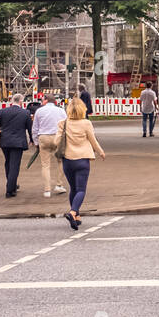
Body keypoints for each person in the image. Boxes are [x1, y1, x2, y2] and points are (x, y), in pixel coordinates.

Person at [56, 94, 105, 230]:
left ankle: (76, 217)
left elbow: (56, 141)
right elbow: (93, 140)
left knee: (73, 188)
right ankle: (73, 212)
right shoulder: (86, 123)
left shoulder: (62, 123)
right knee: (81, 189)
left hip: (68, 160)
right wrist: (100, 152)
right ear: (82, 110)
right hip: (82, 160)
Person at [0, 93, 34, 198]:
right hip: (18, 142)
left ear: (11, 101)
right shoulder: (25, 113)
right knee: (15, 165)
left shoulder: (3, 112)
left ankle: (11, 184)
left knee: (8, 163)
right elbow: (29, 128)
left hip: (5, 141)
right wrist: (32, 140)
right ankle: (10, 189)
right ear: (21, 102)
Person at [31, 93, 69, 198]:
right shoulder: (61, 111)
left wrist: (36, 142)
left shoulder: (39, 111)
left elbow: (35, 128)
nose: (41, 102)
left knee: (45, 164)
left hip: (44, 137)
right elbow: (66, 125)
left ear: (46, 100)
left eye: (42, 100)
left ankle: (47, 190)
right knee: (61, 161)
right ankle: (59, 184)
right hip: (57, 137)